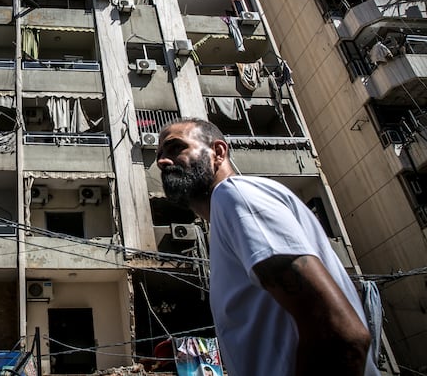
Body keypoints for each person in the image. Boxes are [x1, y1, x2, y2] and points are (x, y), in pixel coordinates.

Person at [155, 118, 378, 376]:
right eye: (159, 155)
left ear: (218, 152)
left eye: (175, 148)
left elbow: (341, 333)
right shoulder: (226, 214)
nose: (161, 161)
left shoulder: (235, 196)